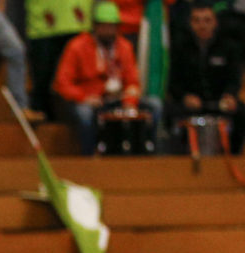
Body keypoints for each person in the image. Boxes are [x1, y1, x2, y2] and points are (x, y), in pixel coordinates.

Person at [54, 1, 161, 154]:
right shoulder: (77, 46)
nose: (109, 31)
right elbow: (62, 83)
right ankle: (89, 156)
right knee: (84, 113)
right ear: (95, 26)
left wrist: (130, 99)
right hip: (88, 100)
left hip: (117, 99)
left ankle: (150, 152)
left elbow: (132, 80)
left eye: (112, 27)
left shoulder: (124, 46)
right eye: (104, 26)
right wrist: (83, 97)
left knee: (154, 105)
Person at [167, 0, 245, 154]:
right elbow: (173, 83)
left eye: (207, 20)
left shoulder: (229, 47)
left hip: (219, 103)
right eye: (197, 21)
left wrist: (230, 96)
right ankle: (178, 159)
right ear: (190, 24)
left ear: (215, 23)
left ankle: (234, 157)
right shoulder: (181, 47)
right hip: (193, 104)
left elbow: (234, 79)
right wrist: (185, 97)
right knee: (169, 112)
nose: (202, 25)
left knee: (241, 112)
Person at [25, 0, 92, 119]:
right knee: (43, 78)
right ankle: (43, 115)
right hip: (43, 22)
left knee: (83, 78)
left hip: (77, 19)